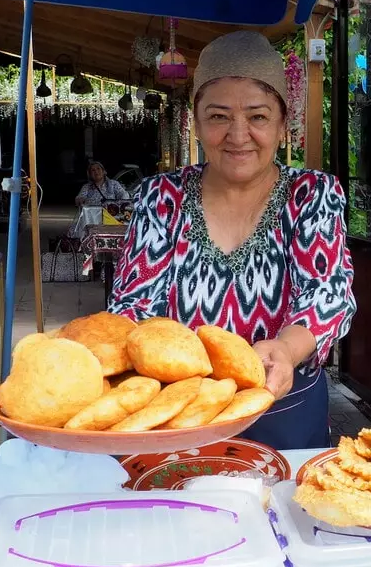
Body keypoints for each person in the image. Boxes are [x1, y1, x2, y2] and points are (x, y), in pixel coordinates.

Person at [108, 31, 357, 449]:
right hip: (180, 412)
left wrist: (285, 349)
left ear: (282, 125)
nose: (238, 135)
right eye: (219, 116)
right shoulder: (160, 197)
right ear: (198, 123)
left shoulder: (312, 194)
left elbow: (328, 294)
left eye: (258, 116)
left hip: (283, 409)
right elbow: (132, 306)